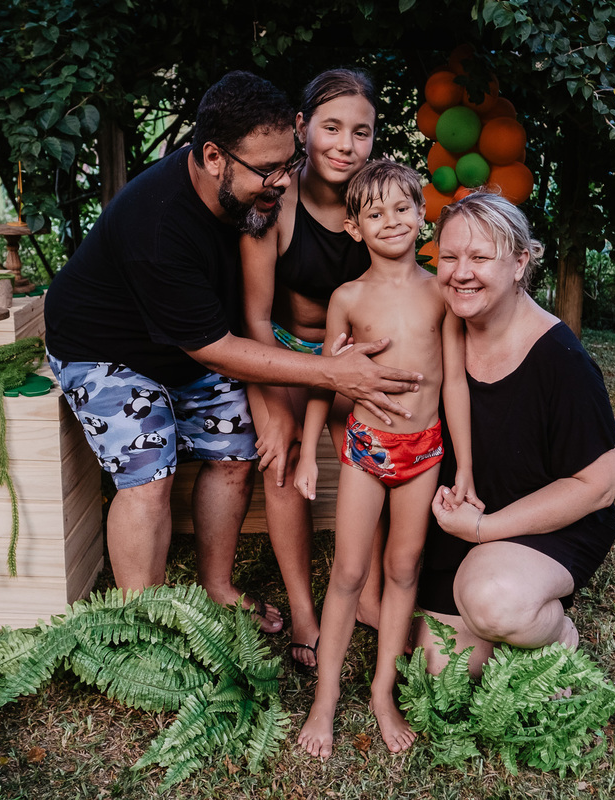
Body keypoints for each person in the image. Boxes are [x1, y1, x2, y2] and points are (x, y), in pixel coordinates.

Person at [43, 71, 422, 633]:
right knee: (149, 468)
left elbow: (238, 325)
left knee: (238, 447)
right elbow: (218, 350)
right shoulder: (159, 226)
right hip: (107, 352)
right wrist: (330, 373)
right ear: (215, 157)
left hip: (187, 348)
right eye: (268, 171)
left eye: (287, 164)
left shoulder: (253, 197)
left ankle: (217, 587)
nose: (281, 181)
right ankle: (140, 627)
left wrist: (272, 404)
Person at [293, 160, 473, 757]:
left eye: (402, 209)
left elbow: (452, 387)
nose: (391, 221)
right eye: (376, 213)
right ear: (354, 227)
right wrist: (309, 454)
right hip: (365, 448)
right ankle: (324, 700)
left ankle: (381, 692)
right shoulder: (347, 298)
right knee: (348, 573)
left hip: (424, 451)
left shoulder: (440, 294)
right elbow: (326, 377)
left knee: (403, 570)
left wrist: (464, 465)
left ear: (423, 216)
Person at [412, 191, 615, 677]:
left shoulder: (561, 360)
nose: (461, 272)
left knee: (494, 603)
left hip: (542, 527)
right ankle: (490, 617)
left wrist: (485, 530)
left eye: (481, 257)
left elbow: (599, 485)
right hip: (462, 525)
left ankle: (557, 636)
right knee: (438, 666)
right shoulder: (441, 330)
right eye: (449, 257)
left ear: (519, 261)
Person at [240, 69, 384, 668]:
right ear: (302, 128)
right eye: (331, 127)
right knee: (279, 455)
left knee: (373, 444)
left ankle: (370, 594)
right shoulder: (274, 203)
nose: (345, 146)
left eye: (361, 132)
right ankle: (304, 605)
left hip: (349, 353)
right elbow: (250, 318)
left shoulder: (377, 203)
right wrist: (272, 405)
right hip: (279, 346)